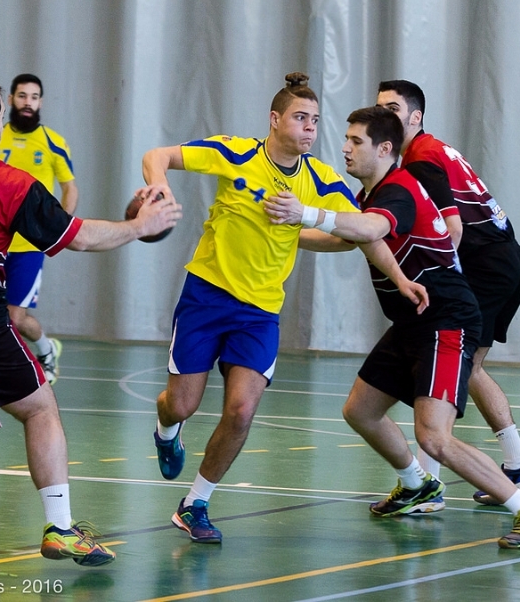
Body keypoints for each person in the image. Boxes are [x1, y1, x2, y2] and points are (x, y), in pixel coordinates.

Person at [265, 106, 520, 549]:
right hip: (412, 320)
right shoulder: (374, 194)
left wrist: (304, 212)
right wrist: (275, 228)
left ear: (385, 148)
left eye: (356, 141)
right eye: (345, 138)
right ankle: (416, 485)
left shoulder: (398, 191)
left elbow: (369, 227)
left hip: (445, 320)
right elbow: (349, 238)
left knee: (434, 437)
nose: (345, 147)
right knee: (360, 411)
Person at [0, 76, 181, 560]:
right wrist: (139, 226)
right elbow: (78, 236)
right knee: (35, 411)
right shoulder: (2, 180)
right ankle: (49, 532)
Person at [142, 73, 362, 544]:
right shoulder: (235, 152)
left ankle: (195, 502)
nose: (309, 128)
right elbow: (156, 155)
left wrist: (301, 226)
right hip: (206, 295)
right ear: (275, 119)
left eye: (316, 121)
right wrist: (160, 188)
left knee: (241, 411)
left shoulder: (319, 179)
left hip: (261, 311)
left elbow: (356, 230)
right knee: (182, 403)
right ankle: (166, 431)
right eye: (301, 118)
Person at [377, 80, 520, 509]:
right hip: (505, 259)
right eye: (379, 108)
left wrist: (439, 276)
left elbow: (453, 228)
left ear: (416, 117)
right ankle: (516, 465)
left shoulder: (421, 157)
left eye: (393, 109)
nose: (384, 116)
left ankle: (430, 486)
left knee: (443, 356)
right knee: (465, 367)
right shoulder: (430, 150)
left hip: (487, 263)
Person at [0, 73, 77, 384]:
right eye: (21, 96)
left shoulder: (54, 142)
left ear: (40, 102)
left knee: (14, 318)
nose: (27, 103)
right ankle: (39, 351)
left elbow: (71, 189)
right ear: (11, 100)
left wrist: (60, 229)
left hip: (29, 245)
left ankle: (41, 353)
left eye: (33, 97)